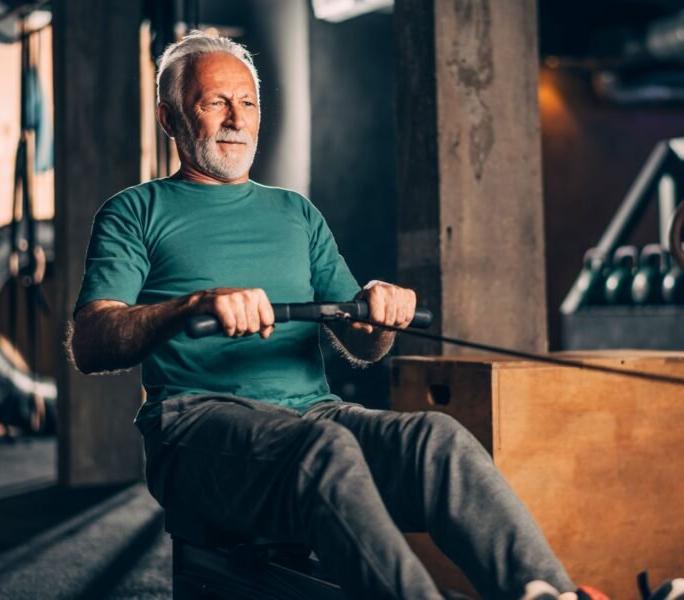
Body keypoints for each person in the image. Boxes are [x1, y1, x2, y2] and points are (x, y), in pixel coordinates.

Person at [69, 31, 586, 600]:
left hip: (314, 415)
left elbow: (361, 344)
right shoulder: (135, 210)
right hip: (193, 426)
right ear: (170, 118)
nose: (236, 119)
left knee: (440, 441)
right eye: (214, 102)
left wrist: (378, 317)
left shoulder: (296, 213)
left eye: (247, 103)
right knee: (326, 452)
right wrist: (191, 307)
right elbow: (92, 342)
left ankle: (552, 594)